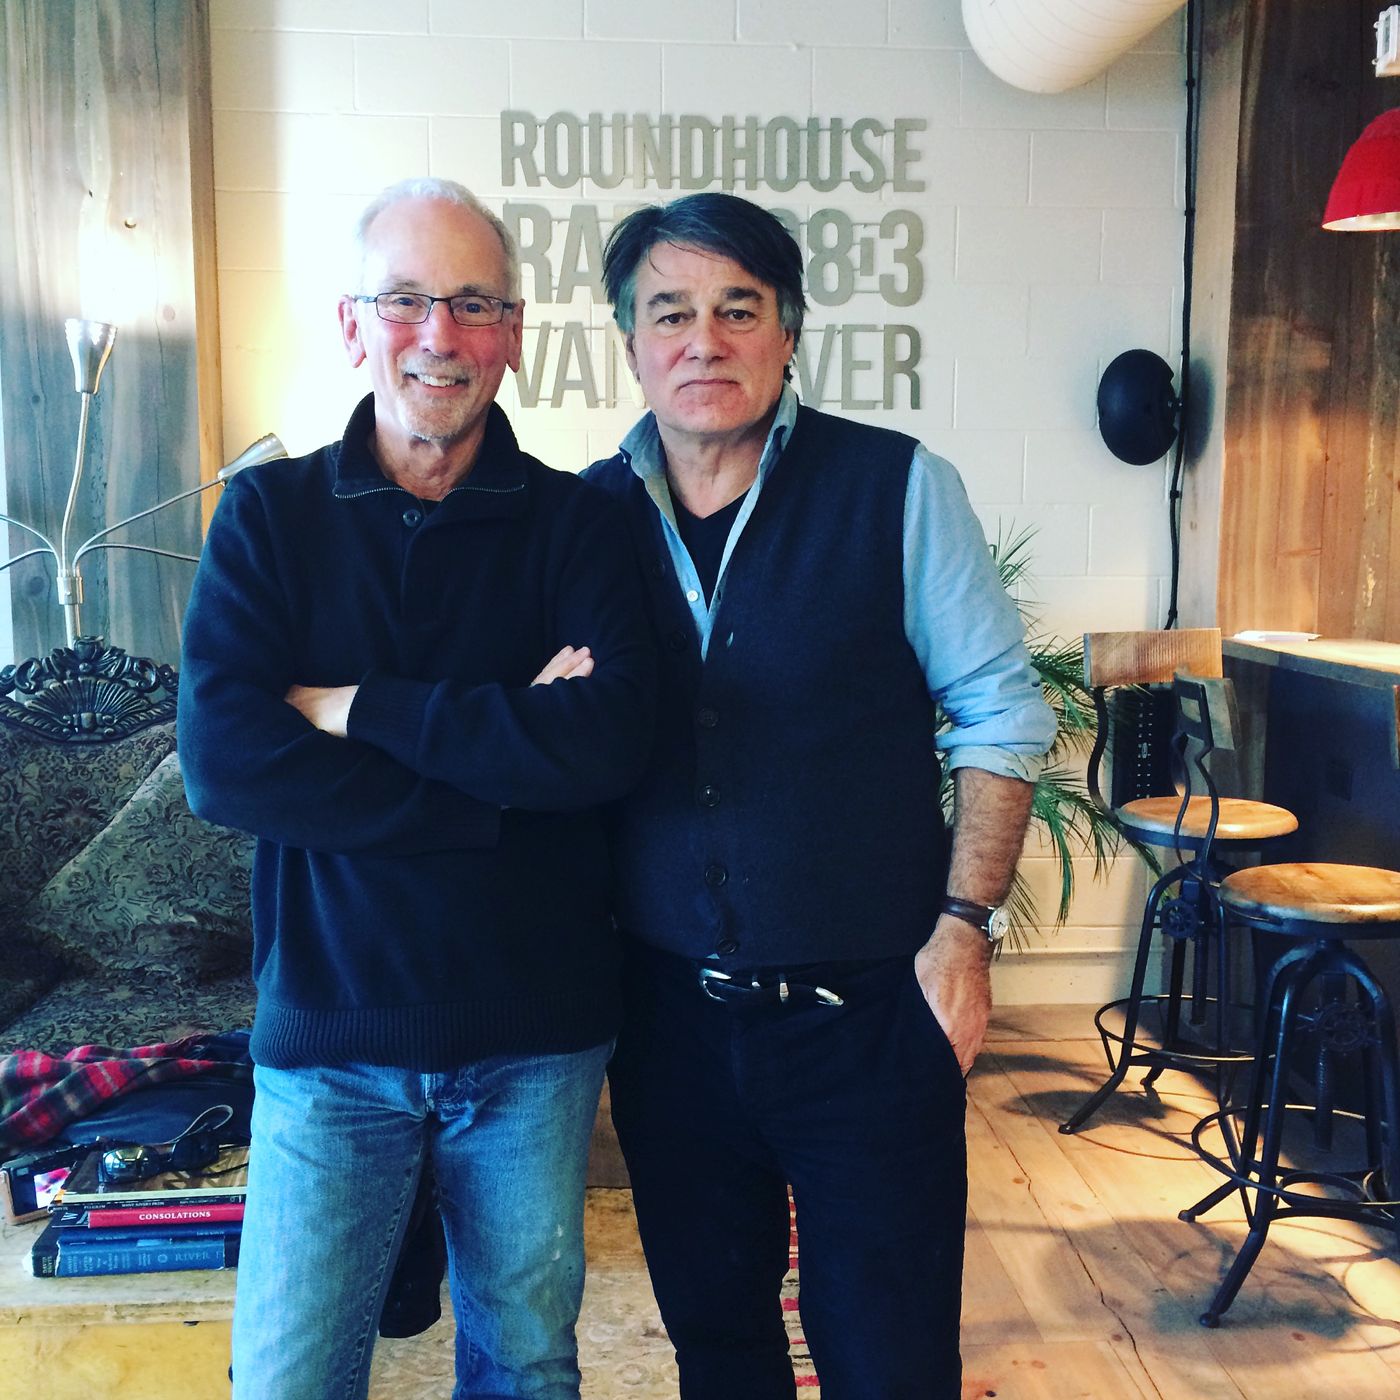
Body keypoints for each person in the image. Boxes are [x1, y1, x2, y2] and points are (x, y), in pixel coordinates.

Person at [178, 177, 654, 1400]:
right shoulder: (268, 517)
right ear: (353, 325)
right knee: (286, 1378)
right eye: (403, 299)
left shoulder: (582, 523)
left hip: (534, 1033)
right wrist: (496, 771)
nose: (438, 333)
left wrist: (353, 708)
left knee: (525, 1367)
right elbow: (225, 760)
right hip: (328, 1033)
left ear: (512, 334)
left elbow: (603, 745)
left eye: (473, 302)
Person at [583, 193, 1057, 1400]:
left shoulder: (895, 486)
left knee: (888, 1360)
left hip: (869, 1017)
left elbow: (1000, 715)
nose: (703, 340)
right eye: (670, 312)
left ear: (788, 332)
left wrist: (963, 930)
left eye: (737, 309)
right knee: (716, 1348)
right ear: (630, 343)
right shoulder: (583, 515)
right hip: (666, 1023)